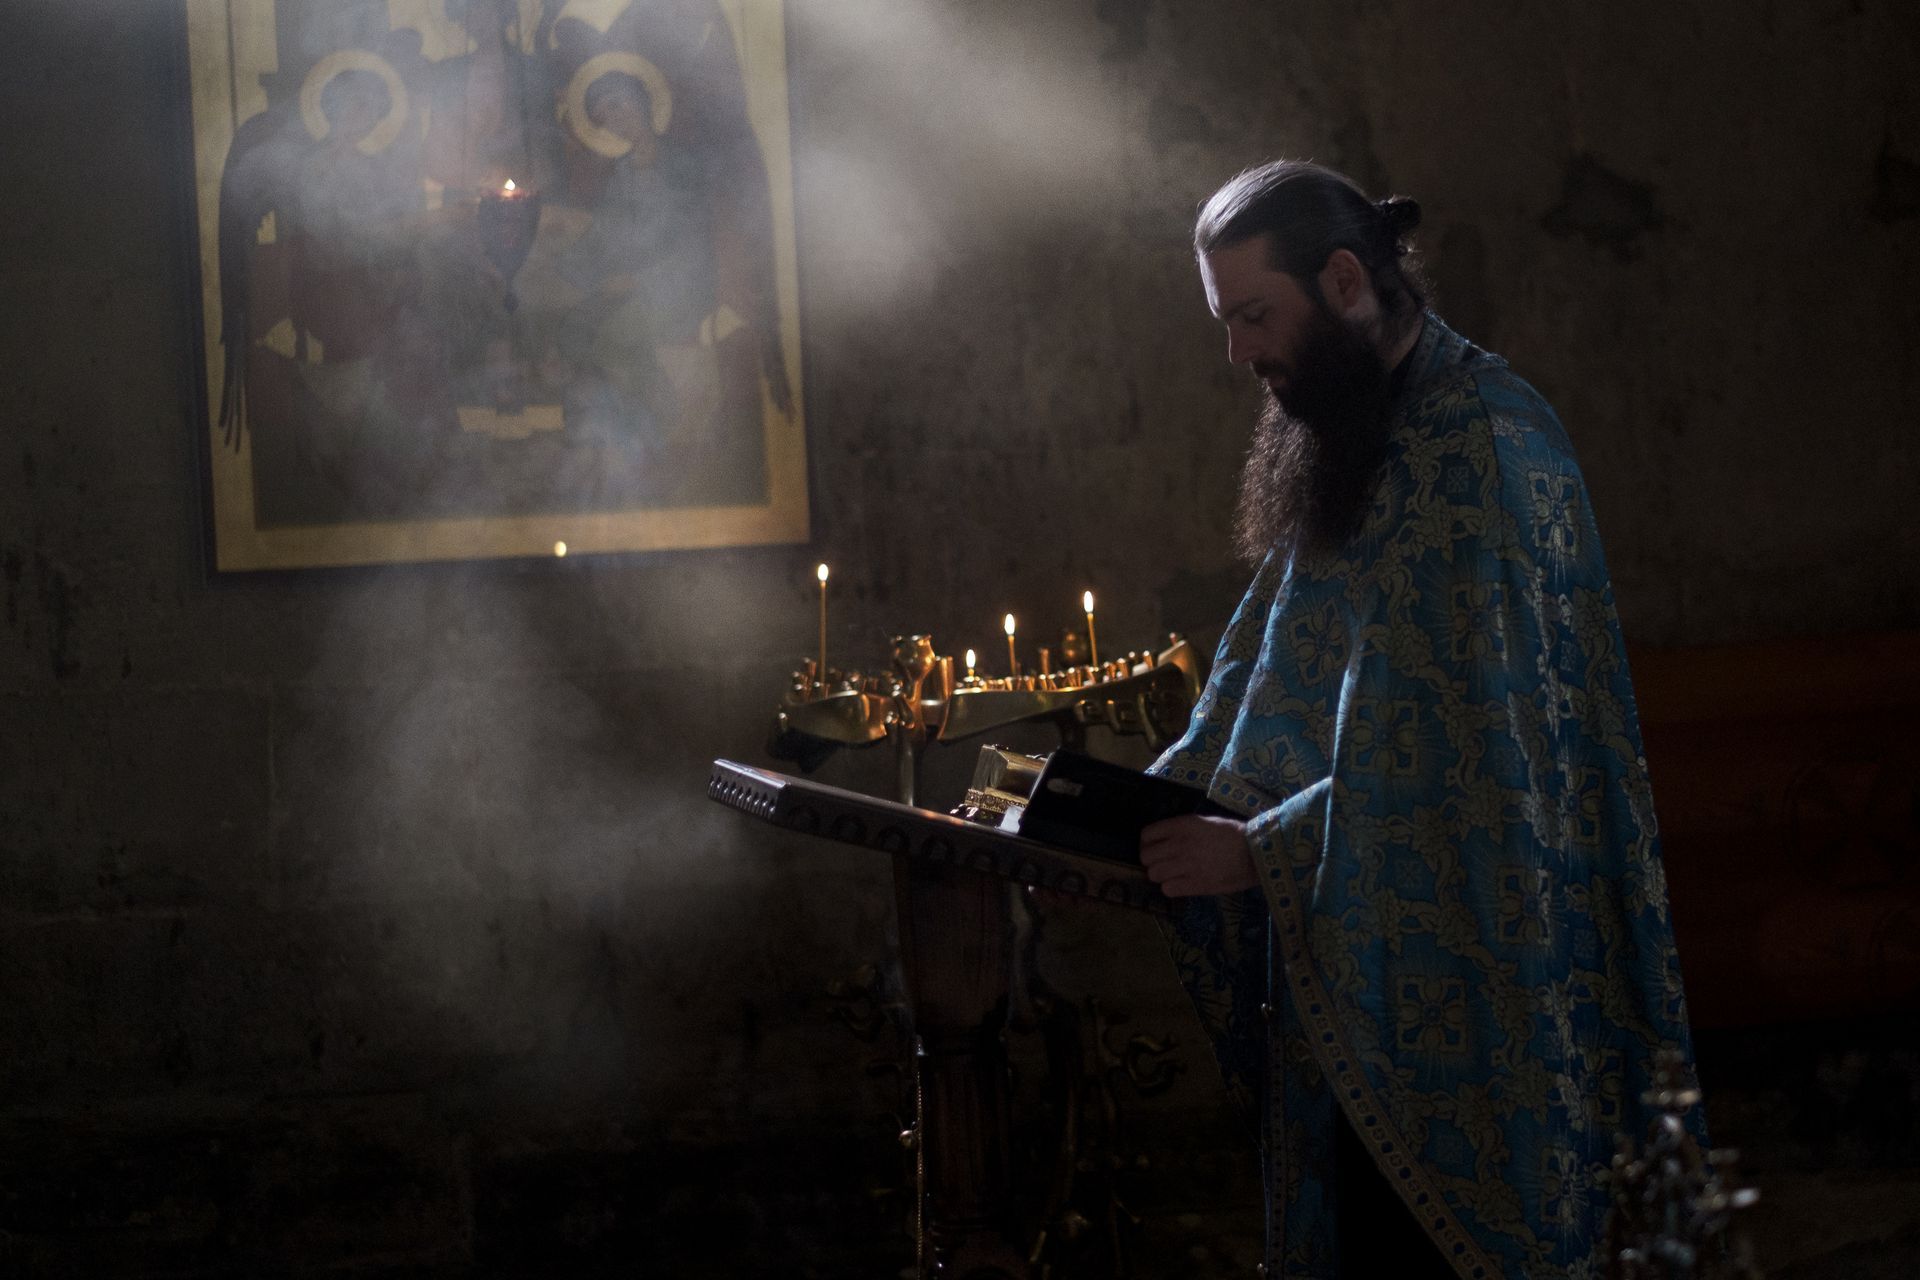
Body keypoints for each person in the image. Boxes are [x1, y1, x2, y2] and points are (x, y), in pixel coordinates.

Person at [1137, 160, 1702, 1278]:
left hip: (1484, 984)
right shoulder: (1359, 433)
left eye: (1255, 316)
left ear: (1346, 280)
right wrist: (1136, 805)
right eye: (1227, 320)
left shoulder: (1481, 450)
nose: (1239, 353)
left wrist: (1258, 851)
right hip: (1353, 971)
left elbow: (1478, 771)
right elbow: (1276, 665)